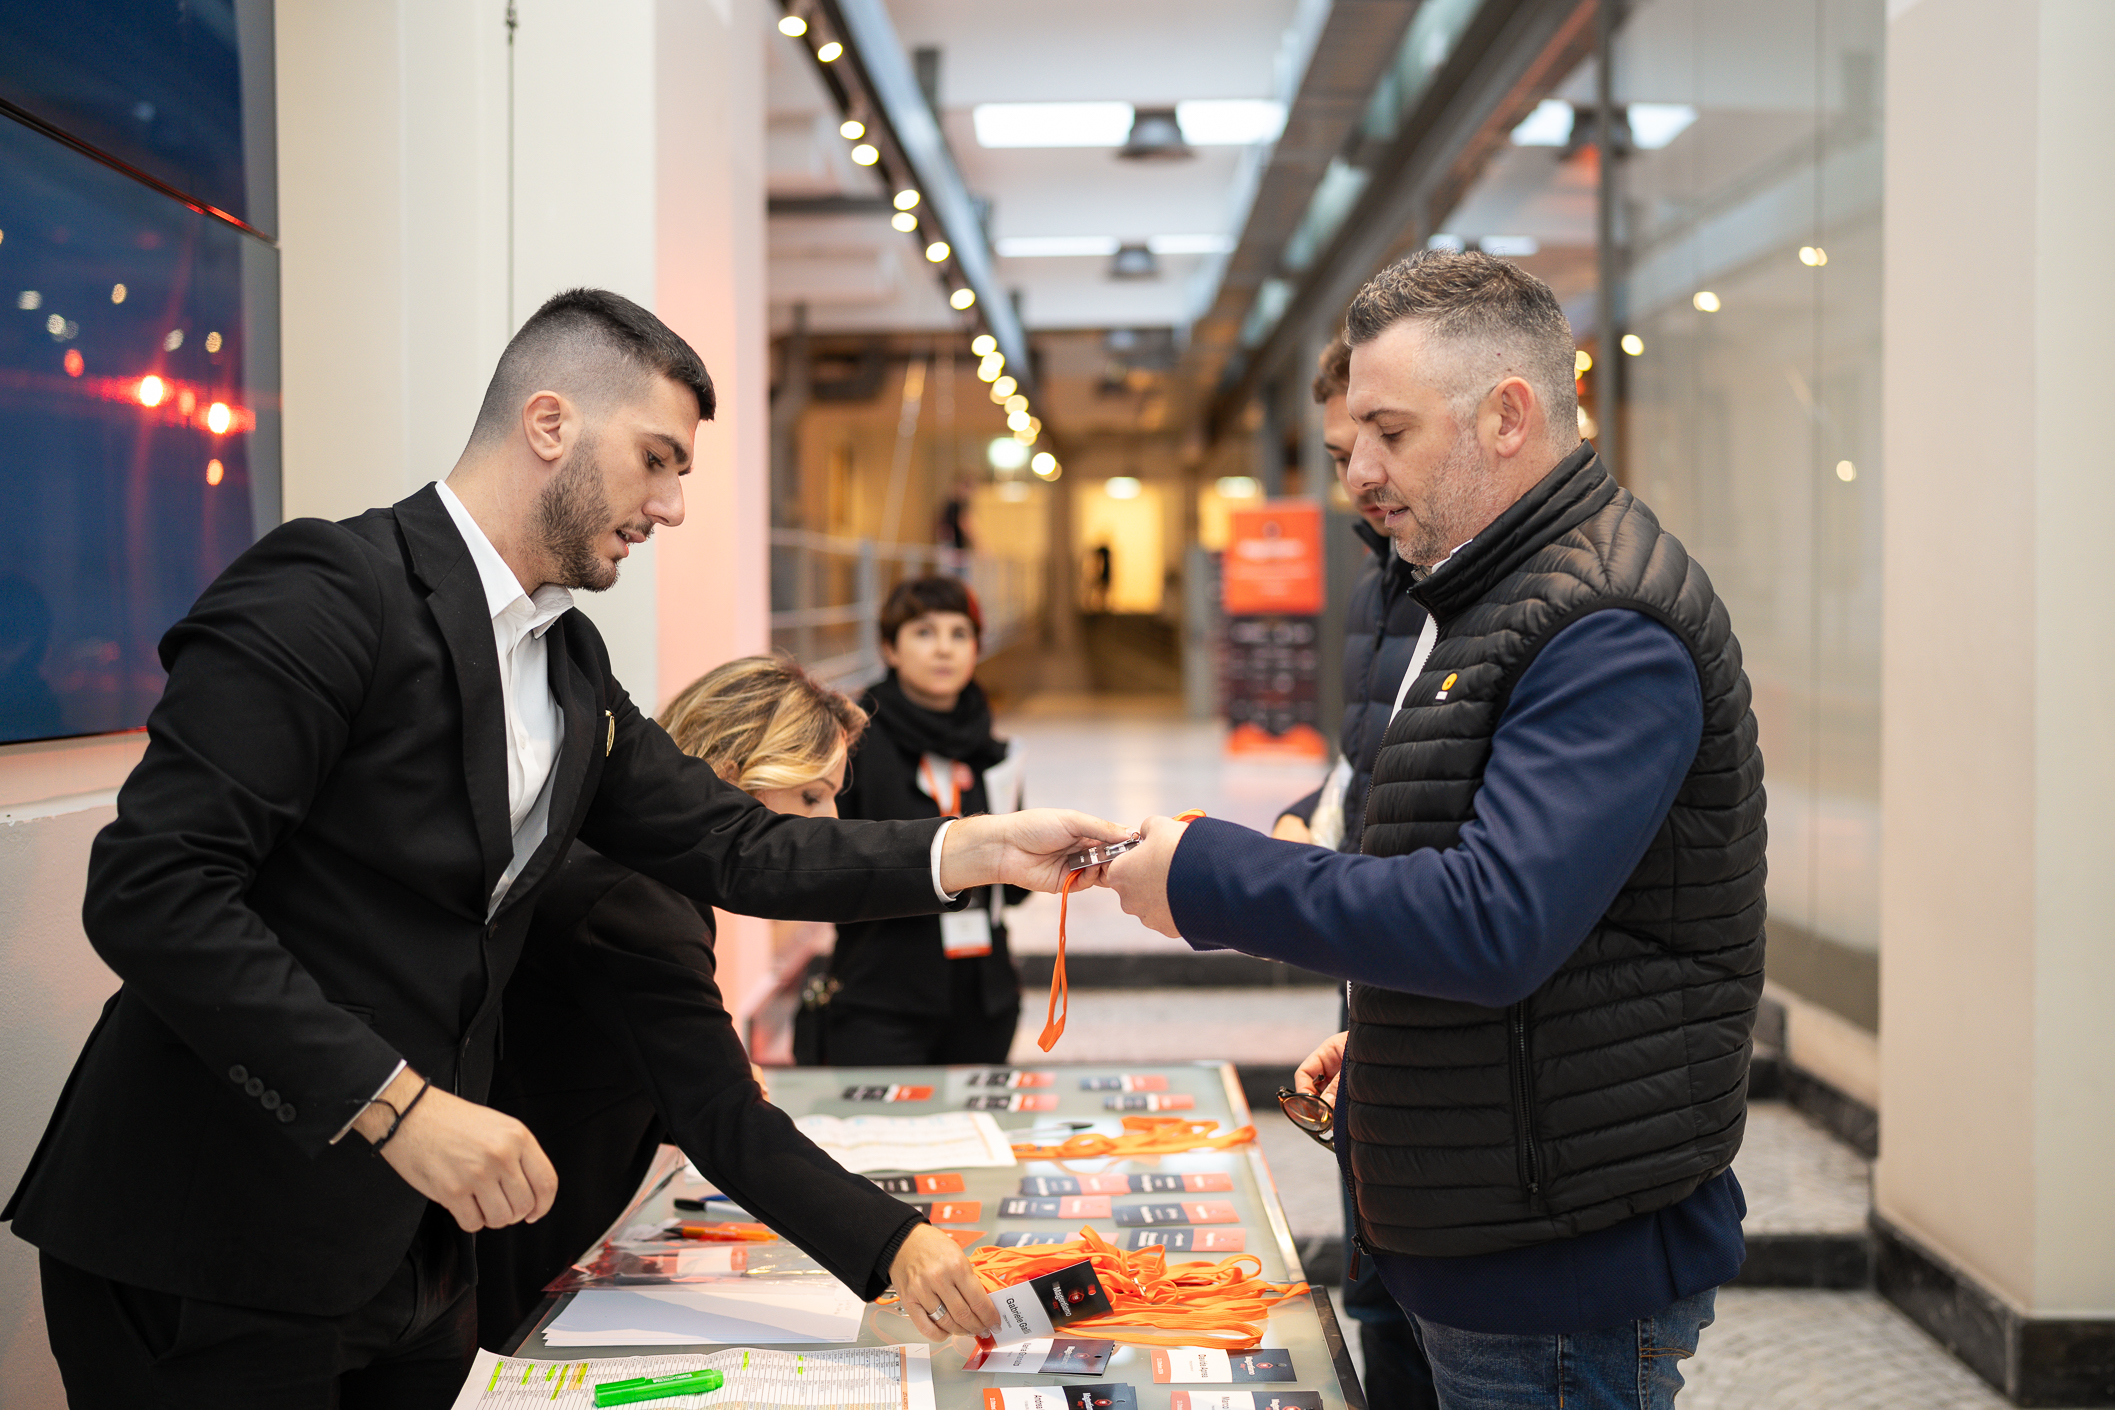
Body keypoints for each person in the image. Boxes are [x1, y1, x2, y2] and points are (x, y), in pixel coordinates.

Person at [4, 287, 1124, 1409]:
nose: (671, 505)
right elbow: (155, 891)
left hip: (413, 1254)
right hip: (217, 1234)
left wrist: (979, 848)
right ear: (549, 424)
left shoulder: (568, 663)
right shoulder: (327, 590)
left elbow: (739, 845)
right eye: (656, 460)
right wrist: (395, 1104)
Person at [1104, 250, 1764, 1409]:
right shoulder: (1475, 593)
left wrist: (1207, 875)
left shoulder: (1605, 622)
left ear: (1508, 416)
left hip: (1556, 1259)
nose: (1358, 470)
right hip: (1490, 1211)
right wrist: (1399, 1039)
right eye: (1352, 436)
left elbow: (1493, 921)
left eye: (1390, 433)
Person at [478, 654, 917, 1347]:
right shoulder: (632, 896)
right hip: (512, 1260)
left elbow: (598, 1050)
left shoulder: (620, 865)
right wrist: (898, 1243)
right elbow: (722, 1118)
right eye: (810, 798)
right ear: (728, 775)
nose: (829, 822)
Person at [1268, 335, 1437, 1410]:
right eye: (1338, 454)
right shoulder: (1379, 584)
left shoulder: (1512, 592)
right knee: (1378, 1290)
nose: (1359, 478)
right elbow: (1368, 756)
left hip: (1439, 968)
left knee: (1427, 1301)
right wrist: (1304, 816)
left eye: (1385, 440)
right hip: (1372, 972)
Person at [813, 575, 1024, 1066]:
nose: (944, 649)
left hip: (983, 998)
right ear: (890, 648)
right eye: (925, 632)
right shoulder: (855, 742)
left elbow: (1013, 892)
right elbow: (828, 863)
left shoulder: (993, 751)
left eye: (959, 633)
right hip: (882, 996)